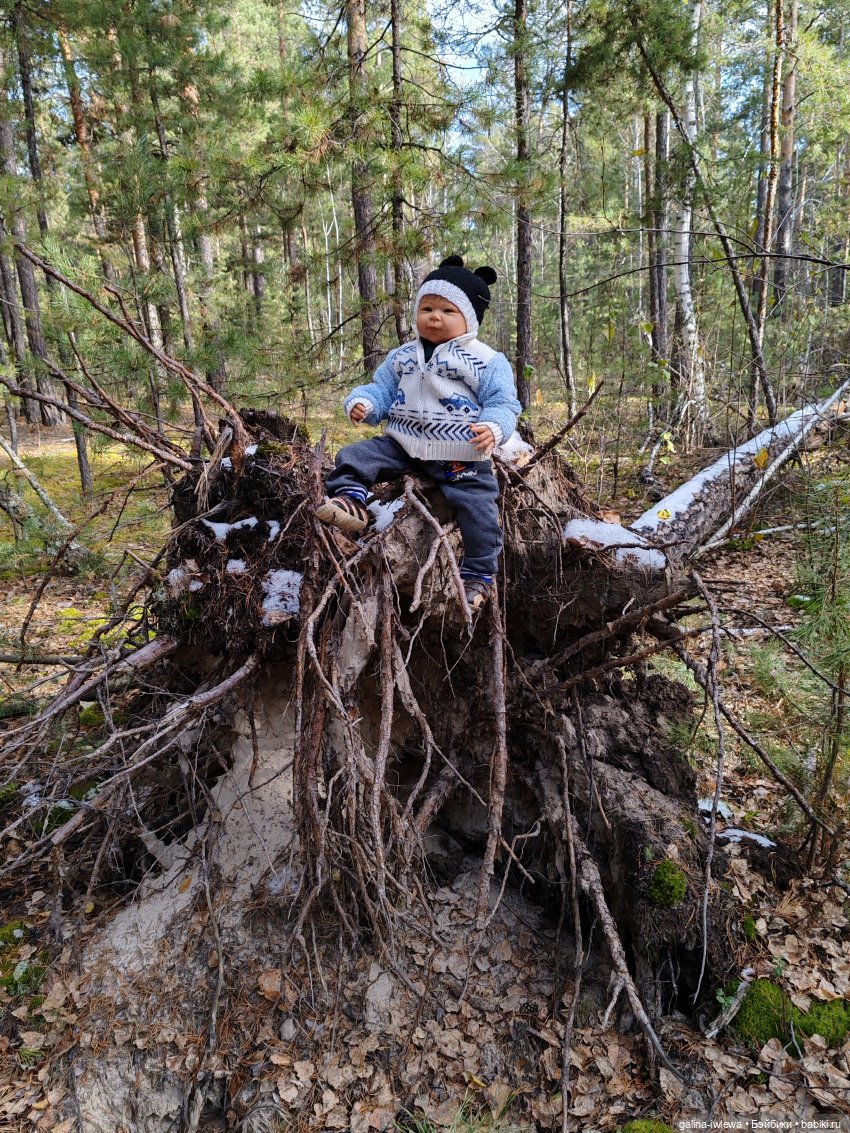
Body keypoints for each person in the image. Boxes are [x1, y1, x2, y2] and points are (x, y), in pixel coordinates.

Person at [315, 255, 521, 612]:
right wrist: (363, 402)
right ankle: (351, 500)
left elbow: (504, 402)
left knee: (480, 511)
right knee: (357, 455)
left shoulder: (485, 361)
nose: (434, 316)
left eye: (447, 310)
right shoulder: (401, 356)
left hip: (460, 453)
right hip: (404, 443)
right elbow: (380, 390)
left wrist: (494, 427)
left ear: (469, 319)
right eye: (426, 307)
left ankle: (478, 574)